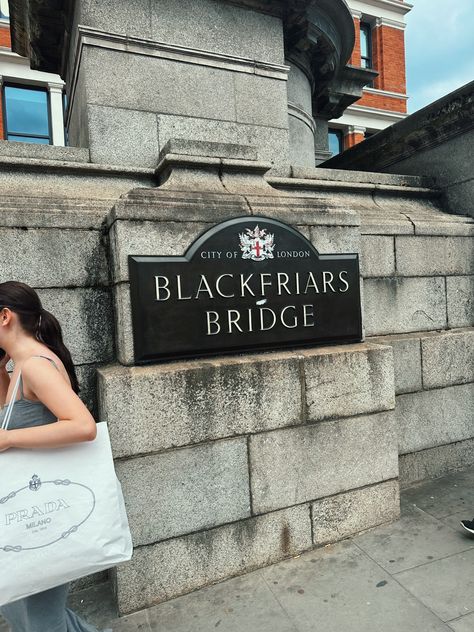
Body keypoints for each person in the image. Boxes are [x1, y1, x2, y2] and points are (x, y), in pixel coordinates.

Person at [0, 281, 105, 632]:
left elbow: (82, 425)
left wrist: (9, 439)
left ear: (4, 316)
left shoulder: (34, 365)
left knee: (42, 622)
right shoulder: (19, 368)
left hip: (45, 514)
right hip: (30, 510)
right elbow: (7, 415)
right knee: (23, 612)